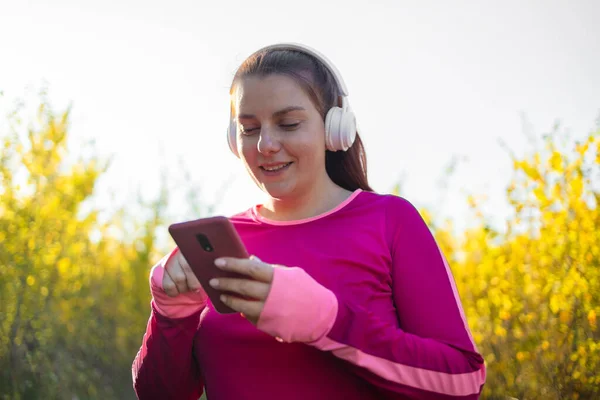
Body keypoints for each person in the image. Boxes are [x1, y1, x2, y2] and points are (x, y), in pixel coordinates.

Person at [131, 42, 486, 400]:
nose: (266, 144)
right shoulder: (221, 243)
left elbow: (464, 383)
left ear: (335, 129)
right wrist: (171, 315)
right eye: (249, 129)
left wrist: (326, 323)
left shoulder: (389, 220)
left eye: (288, 124)